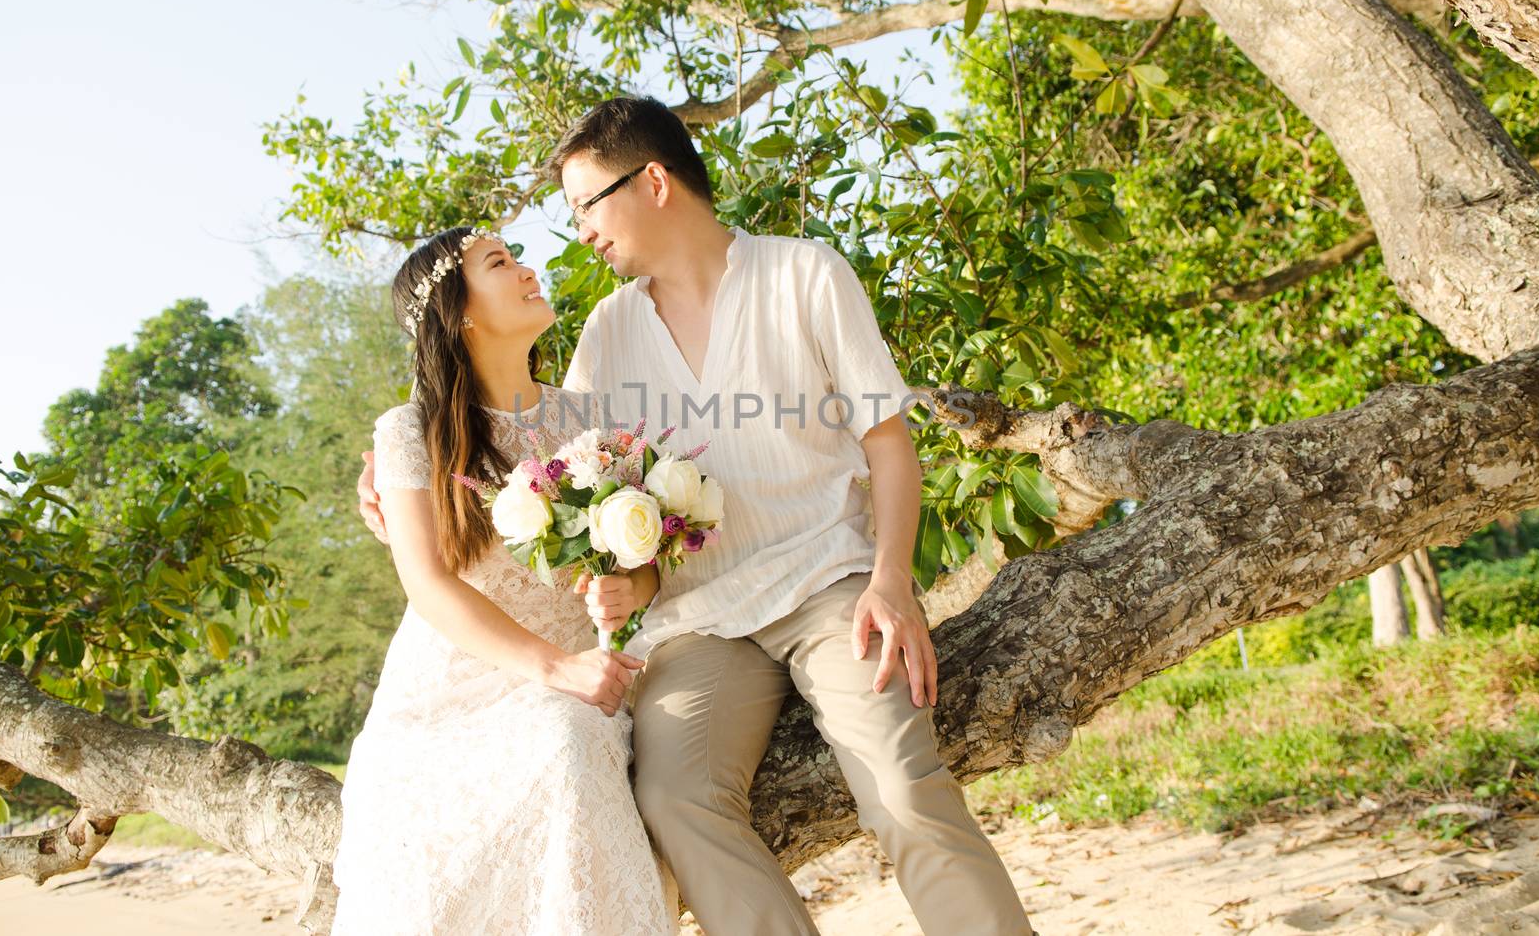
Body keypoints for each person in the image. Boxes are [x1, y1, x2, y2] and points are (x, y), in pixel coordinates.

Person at [360, 97, 1036, 935]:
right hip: (695, 622)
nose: (578, 234)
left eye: (585, 206)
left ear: (652, 182)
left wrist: (891, 581)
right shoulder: (606, 334)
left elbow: (890, 446)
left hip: (827, 583)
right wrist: (394, 483)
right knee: (676, 800)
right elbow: (530, 452)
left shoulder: (806, 274)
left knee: (902, 788)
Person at [331, 225, 675, 935]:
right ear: (460, 312)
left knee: (569, 738)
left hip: (583, 675)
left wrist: (633, 590)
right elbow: (428, 584)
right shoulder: (411, 431)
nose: (527, 270)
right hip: (453, 689)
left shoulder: (592, 422)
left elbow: (644, 565)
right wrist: (556, 667)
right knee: (552, 739)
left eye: (517, 256)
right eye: (500, 262)